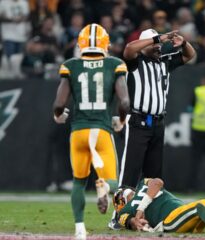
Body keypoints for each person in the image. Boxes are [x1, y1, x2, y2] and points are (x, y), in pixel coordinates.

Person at [52, 23, 130, 240]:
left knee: (78, 181)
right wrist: (121, 120)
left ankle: (79, 229)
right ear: (106, 44)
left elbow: (59, 103)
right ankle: (104, 186)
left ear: (80, 44)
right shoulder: (114, 64)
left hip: (78, 132)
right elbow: (124, 102)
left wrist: (59, 115)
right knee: (114, 182)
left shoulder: (71, 65)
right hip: (101, 131)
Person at [119, 29, 195, 196]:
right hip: (137, 121)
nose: (158, 47)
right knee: (129, 173)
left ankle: (145, 215)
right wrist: (156, 38)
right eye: (155, 44)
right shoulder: (135, 61)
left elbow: (189, 55)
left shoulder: (164, 62)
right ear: (145, 44)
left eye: (160, 45)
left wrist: (183, 43)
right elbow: (129, 49)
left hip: (158, 123)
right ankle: (119, 215)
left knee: (153, 176)